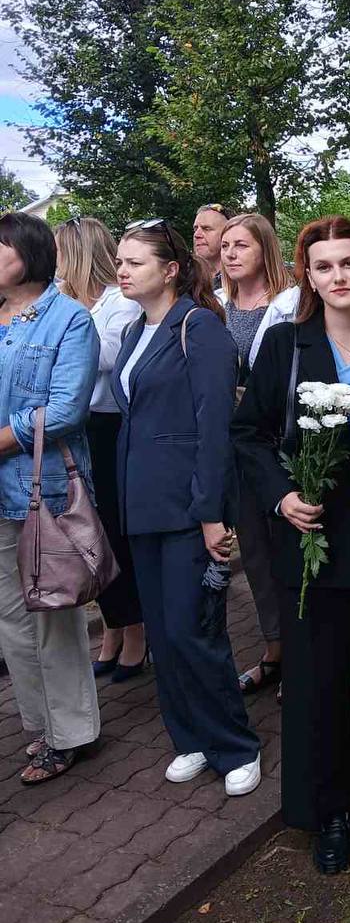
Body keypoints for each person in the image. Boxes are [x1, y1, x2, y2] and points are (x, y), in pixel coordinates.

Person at [232, 216, 350, 874]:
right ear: (307, 276)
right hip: (310, 535)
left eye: (349, 262)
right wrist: (281, 495)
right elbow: (248, 432)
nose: (338, 276)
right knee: (317, 681)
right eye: (324, 266)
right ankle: (328, 810)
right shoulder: (286, 345)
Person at [113, 219, 261, 796]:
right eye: (120, 262)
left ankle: (234, 744)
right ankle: (191, 737)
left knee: (195, 629)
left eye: (135, 262)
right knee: (164, 632)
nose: (123, 271)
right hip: (142, 505)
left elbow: (214, 426)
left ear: (171, 270)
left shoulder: (199, 327)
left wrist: (210, 513)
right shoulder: (134, 331)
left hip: (187, 507)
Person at [0, 213, 100, 783]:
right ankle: (40, 728)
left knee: (53, 615)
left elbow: (65, 410)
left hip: (41, 488)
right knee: (11, 621)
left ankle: (72, 733)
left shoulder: (69, 319)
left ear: (30, 253)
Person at [54, 216, 146, 682]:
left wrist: (66, 330)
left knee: (112, 530)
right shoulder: (68, 304)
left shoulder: (119, 303)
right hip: (79, 428)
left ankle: (136, 630)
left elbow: (103, 358)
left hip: (109, 428)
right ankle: (114, 627)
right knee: (89, 535)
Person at [214, 213, 298, 697]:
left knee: (287, 544)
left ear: (264, 248)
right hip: (232, 438)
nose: (230, 253)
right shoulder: (216, 305)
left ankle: (303, 651)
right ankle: (274, 649)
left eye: (241, 245)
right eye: (225, 245)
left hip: (278, 437)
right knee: (254, 549)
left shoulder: (289, 303)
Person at [192, 202, 238, 285]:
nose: (196, 235)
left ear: (227, 234)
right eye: (195, 229)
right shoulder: (184, 279)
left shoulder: (242, 281)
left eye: (206, 229)